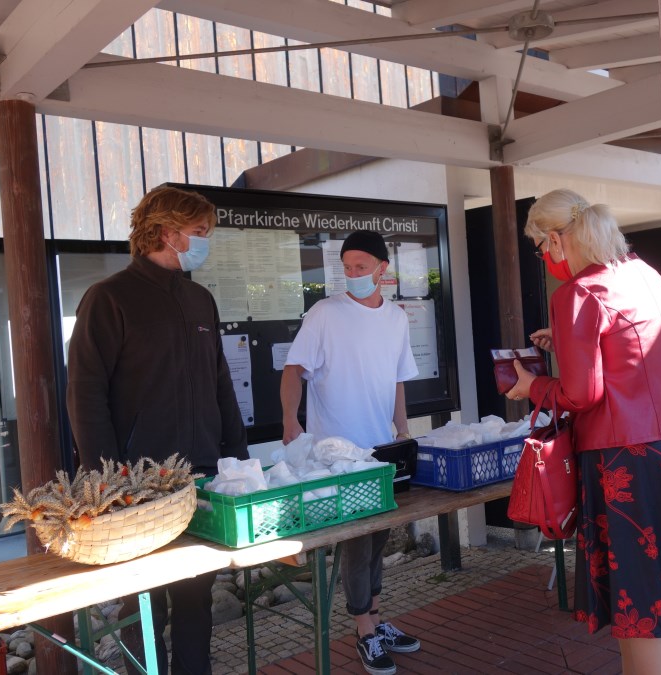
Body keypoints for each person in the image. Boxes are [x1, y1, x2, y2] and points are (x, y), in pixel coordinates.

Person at [506, 189, 661, 675]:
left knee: (640, 602)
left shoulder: (577, 293)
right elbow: (631, 352)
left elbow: (580, 394)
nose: (544, 257)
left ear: (554, 239)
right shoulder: (644, 273)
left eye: (541, 247)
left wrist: (533, 385)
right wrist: (567, 344)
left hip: (620, 461)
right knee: (660, 599)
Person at [66, 186, 248, 675]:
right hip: (135, 486)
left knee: (197, 595)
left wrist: (236, 458)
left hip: (201, 477)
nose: (205, 242)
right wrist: (106, 481)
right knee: (141, 603)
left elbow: (220, 385)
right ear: (168, 232)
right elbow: (85, 394)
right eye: (200, 233)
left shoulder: (200, 299)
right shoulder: (108, 299)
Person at [281, 230, 419, 675]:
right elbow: (293, 369)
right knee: (358, 542)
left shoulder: (397, 318)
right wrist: (290, 422)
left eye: (361, 267)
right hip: (339, 452)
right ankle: (363, 630)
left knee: (380, 535)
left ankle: (376, 620)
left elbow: (398, 379)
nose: (353, 275)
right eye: (347, 267)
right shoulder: (325, 313)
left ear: (383, 269)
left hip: (381, 447)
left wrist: (401, 428)